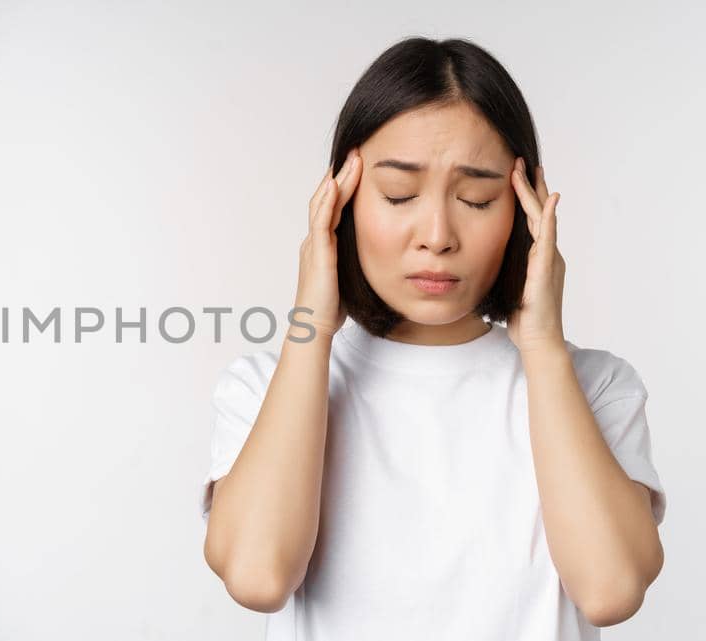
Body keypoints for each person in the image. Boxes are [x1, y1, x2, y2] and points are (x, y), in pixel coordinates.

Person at [198, 37, 667, 641]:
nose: (438, 235)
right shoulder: (265, 388)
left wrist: (545, 350)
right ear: (340, 200)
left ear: (525, 211)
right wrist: (309, 328)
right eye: (398, 195)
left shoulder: (596, 387)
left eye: (476, 198)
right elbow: (258, 577)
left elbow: (610, 591)